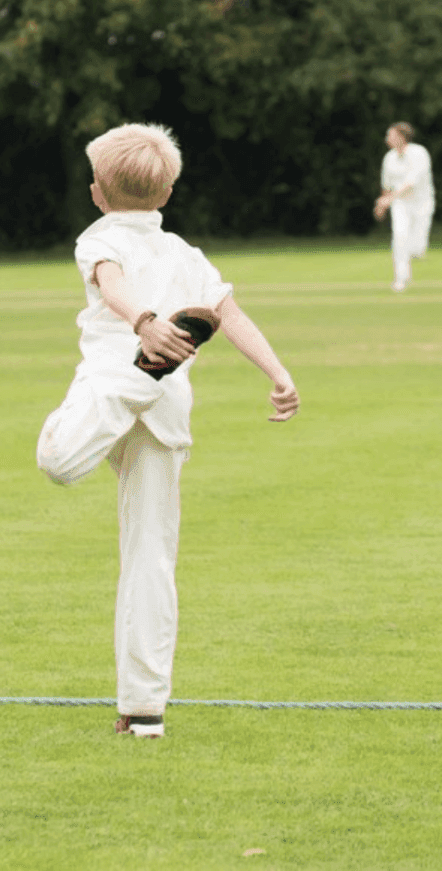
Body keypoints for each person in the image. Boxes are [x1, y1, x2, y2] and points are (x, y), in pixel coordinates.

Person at [36, 123, 300, 739]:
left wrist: (145, 324)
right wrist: (279, 373)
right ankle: (144, 711)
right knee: (150, 557)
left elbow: (113, 284)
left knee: (56, 460)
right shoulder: (185, 254)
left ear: (98, 191)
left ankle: (138, 378)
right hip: (167, 401)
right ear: (168, 193)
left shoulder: (98, 236)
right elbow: (229, 314)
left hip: (115, 379)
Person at [374, 122, 435, 292]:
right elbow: (387, 185)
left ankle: (413, 252)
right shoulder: (389, 158)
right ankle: (401, 278)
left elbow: (411, 183)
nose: (387, 139)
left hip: (422, 202)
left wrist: (389, 199)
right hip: (401, 204)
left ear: (401, 137)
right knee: (400, 237)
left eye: (390, 135)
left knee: (417, 248)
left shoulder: (419, 153)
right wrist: (383, 203)